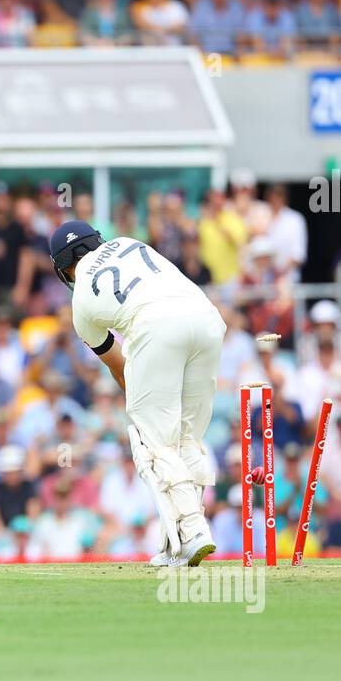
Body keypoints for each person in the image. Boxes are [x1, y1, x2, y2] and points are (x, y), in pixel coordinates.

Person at [49, 220, 225, 566]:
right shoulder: (129, 242)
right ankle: (177, 544)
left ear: (63, 268)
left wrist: (150, 402)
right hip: (208, 319)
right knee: (187, 438)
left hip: (155, 327)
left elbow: (119, 364)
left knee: (154, 442)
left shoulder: (81, 300)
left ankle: (194, 530)